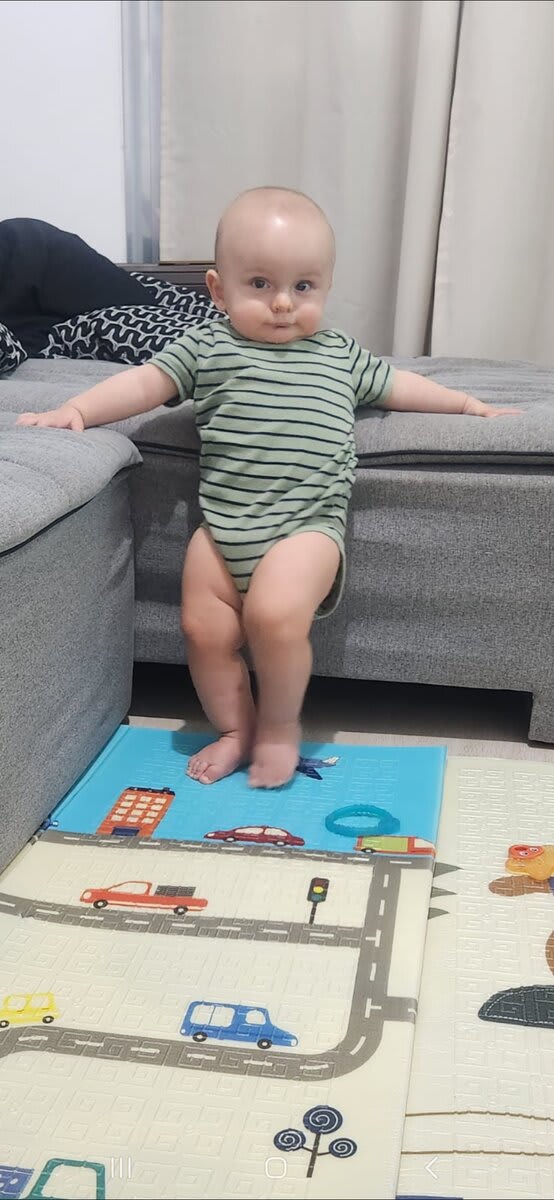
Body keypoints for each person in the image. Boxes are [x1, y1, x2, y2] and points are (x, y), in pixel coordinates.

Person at [16, 187, 522, 790]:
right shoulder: (207, 347)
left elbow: (401, 385)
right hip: (222, 528)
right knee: (204, 631)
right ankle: (236, 728)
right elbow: (145, 383)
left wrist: (467, 405)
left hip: (306, 528)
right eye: (260, 284)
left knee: (274, 615)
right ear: (217, 289)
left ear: (326, 287)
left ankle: (280, 728)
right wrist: (76, 410)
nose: (283, 303)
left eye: (303, 286)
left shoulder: (338, 353)